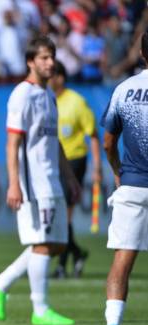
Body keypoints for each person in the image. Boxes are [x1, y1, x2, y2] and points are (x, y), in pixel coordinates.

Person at [0, 35, 81, 325]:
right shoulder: (22, 95)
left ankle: (0, 283)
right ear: (30, 62)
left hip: (52, 179)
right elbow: (12, 143)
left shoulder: (49, 95)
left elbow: (54, 140)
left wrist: (70, 177)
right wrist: (14, 183)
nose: (50, 63)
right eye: (44, 58)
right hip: (33, 183)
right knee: (43, 244)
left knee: (57, 244)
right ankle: (40, 309)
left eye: (52, 57)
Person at [101, 30, 148, 325]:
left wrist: (118, 170)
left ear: (142, 54)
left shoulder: (124, 89)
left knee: (123, 258)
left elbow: (107, 142)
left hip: (132, 185)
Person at [49, 60, 102, 279]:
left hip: (74, 162)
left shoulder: (77, 102)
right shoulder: (45, 99)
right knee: (56, 217)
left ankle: (61, 266)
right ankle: (77, 254)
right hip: (52, 163)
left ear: (60, 77)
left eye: (53, 75)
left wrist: (97, 167)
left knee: (64, 217)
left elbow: (93, 135)